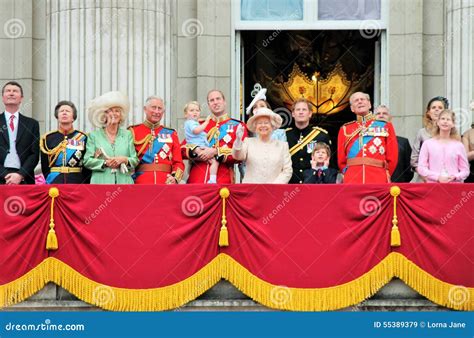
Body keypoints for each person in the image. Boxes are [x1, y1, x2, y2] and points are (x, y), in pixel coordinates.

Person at [183, 90, 247, 184]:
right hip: (196, 180)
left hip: (223, 182)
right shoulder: (199, 125)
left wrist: (215, 152)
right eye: (212, 100)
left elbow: (242, 154)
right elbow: (182, 149)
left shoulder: (237, 126)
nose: (215, 102)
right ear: (209, 105)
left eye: (218, 99)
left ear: (224, 102)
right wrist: (199, 152)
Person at [337, 92, 398, 183]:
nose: (360, 102)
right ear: (352, 108)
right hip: (352, 179)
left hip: (378, 178)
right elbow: (341, 161)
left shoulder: (385, 126)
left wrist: (386, 174)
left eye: (362, 99)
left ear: (369, 104)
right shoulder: (345, 129)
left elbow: (392, 156)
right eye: (356, 100)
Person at [83, 91, 138, 184]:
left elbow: (135, 160)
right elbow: (87, 161)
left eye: (117, 111)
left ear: (121, 116)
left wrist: (125, 159)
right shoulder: (94, 136)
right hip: (100, 183)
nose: (114, 113)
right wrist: (105, 163)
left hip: (124, 183)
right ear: (103, 116)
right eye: (110, 111)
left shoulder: (127, 135)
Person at [129, 96, 184, 184]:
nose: (157, 111)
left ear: (163, 112)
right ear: (145, 109)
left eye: (160, 109)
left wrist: (175, 178)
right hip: (141, 182)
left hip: (166, 182)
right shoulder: (133, 131)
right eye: (154, 108)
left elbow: (178, 162)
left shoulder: (171, 133)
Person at [232, 108, 292, 183]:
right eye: (259, 123)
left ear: (272, 125)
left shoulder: (282, 146)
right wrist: (238, 140)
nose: (263, 125)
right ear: (255, 126)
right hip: (251, 190)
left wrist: (275, 186)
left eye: (266, 123)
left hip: (274, 191)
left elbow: (287, 170)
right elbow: (238, 156)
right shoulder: (248, 142)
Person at [40, 100, 90, 184]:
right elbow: (45, 165)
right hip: (54, 180)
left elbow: (86, 164)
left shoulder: (83, 137)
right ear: (57, 116)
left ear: (73, 117)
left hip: (77, 180)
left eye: (67, 111)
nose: (64, 113)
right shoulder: (48, 138)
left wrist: (84, 181)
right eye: (61, 111)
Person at [0, 81, 39, 184]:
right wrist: (5, 175)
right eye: (8, 91)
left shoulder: (32, 124)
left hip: (24, 178)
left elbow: (34, 154)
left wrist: (20, 174)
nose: (11, 93)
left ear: (21, 98)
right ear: (3, 97)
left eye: (15, 91)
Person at [286, 98, 331, 184]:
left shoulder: (321, 135)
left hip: (313, 183)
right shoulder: (285, 135)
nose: (301, 112)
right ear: (293, 114)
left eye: (304, 109)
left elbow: (329, 163)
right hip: (290, 183)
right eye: (298, 109)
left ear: (310, 114)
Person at [418, 110, 469, 183]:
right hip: (433, 187)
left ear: (453, 124)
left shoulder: (459, 146)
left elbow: (465, 170)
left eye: (448, 119)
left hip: (454, 187)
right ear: (438, 122)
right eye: (442, 119)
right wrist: (437, 177)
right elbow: (421, 168)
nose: (445, 121)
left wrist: (455, 176)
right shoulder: (427, 144)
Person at [411, 96, 449, 178]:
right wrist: (425, 177)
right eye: (433, 107)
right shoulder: (422, 133)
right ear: (428, 112)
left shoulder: (453, 133)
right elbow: (414, 160)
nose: (436, 110)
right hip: (425, 179)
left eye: (440, 108)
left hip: (448, 178)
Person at [374, 105, 414, 183]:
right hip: (375, 186)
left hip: (397, 188)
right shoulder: (366, 142)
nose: (381, 115)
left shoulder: (403, 142)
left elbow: (408, 171)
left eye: (385, 113)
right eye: (378, 113)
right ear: (373, 119)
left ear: (390, 118)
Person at [183, 101, 218, 183]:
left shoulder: (195, 122)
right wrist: (206, 122)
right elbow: (196, 130)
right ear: (185, 114)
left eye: (197, 110)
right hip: (196, 147)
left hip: (199, 147)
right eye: (191, 110)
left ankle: (212, 180)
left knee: (213, 162)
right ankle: (213, 179)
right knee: (214, 162)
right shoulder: (192, 123)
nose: (195, 112)